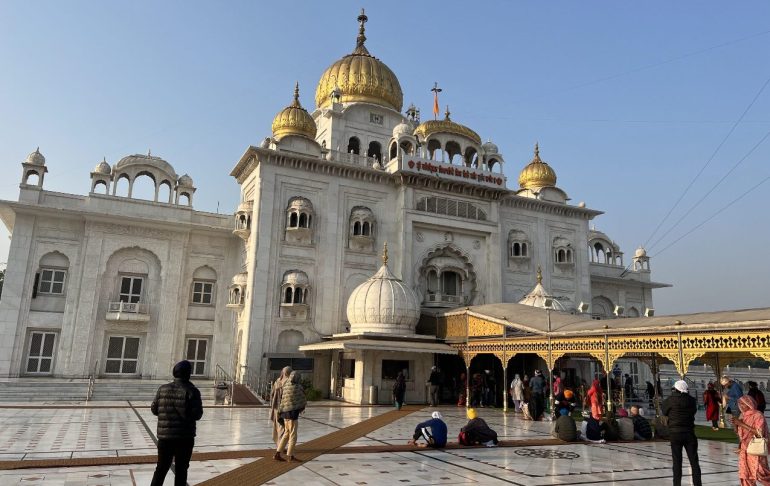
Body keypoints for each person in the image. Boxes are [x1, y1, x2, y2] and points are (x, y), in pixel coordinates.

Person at [150, 360, 203, 486]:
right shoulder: (192, 391)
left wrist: (166, 414)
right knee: (181, 470)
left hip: (165, 437)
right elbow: (197, 415)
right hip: (184, 438)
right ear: (188, 374)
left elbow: (154, 409)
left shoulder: (163, 389)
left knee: (161, 468)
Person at [661, 380, 702, 486]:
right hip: (689, 432)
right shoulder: (691, 400)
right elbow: (693, 411)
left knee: (677, 462)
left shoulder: (670, 400)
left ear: (676, 389)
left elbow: (664, 411)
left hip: (675, 433)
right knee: (694, 462)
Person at [732, 395, 770, 485]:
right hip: (744, 449)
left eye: (743, 404)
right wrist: (735, 425)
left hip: (755, 448)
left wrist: (741, 424)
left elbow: (759, 432)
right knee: (745, 475)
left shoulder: (758, 415)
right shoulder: (743, 415)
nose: (741, 406)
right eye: (739, 404)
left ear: (749, 404)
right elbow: (739, 433)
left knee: (760, 472)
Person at [274, 371, 307, 462]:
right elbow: (303, 398)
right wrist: (302, 406)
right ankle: (290, 456)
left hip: (285, 413)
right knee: (293, 435)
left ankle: (277, 453)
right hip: (292, 414)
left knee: (286, 434)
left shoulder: (286, 386)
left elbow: (283, 400)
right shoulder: (298, 387)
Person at [270, 366, 292, 447]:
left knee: (277, 426)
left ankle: (278, 444)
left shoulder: (277, 381)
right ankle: (280, 446)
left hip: (276, 407)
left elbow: (272, 394)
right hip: (284, 408)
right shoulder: (289, 382)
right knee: (283, 427)